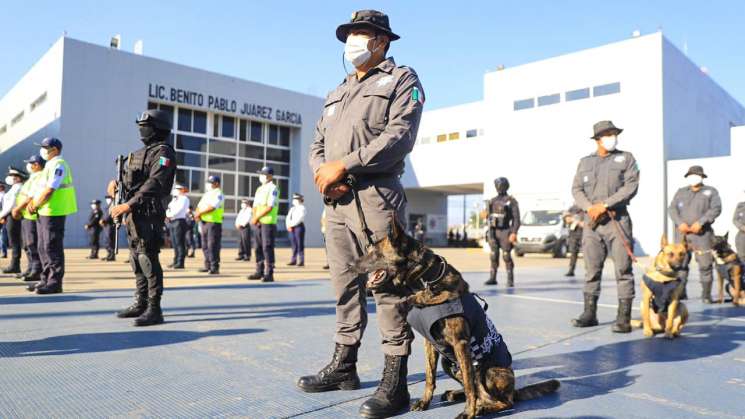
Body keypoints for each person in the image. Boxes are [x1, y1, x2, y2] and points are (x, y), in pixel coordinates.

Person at [299, 10, 425, 418]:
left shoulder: (402, 79)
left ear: (381, 41)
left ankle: (395, 380)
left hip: (376, 199)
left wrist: (346, 165)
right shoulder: (337, 92)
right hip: (335, 203)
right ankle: (345, 365)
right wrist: (323, 173)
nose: (353, 41)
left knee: (387, 286)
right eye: (350, 34)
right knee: (345, 285)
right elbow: (317, 141)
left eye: (362, 34)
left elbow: (400, 136)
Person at [571, 120, 639, 333]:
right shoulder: (585, 162)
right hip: (592, 223)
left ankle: (623, 317)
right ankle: (589, 313)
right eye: (608, 134)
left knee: (623, 269)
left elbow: (631, 186)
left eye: (614, 134)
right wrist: (590, 208)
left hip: (617, 220)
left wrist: (605, 204)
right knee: (591, 270)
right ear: (598, 139)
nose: (613, 138)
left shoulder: (626, 158)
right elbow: (576, 189)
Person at [110, 109, 176, 326]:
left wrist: (128, 205)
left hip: (149, 212)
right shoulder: (138, 153)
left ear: (157, 128)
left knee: (148, 258)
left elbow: (155, 183)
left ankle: (155, 309)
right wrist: (116, 186)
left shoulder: (163, 152)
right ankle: (140, 302)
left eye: (145, 125)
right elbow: (133, 183)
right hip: (133, 214)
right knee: (136, 258)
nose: (141, 129)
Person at [26, 137, 78, 294]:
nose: (42, 150)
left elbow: (50, 189)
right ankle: (45, 279)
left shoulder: (58, 164)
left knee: (51, 246)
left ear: (54, 149)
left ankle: (55, 282)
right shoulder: (49, 164)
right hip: (44, 210)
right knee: (43, 247)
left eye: (45, 147)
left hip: (54, 211)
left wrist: (34, 204)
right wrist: (34, 203)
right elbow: (41, 189)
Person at [668, 165, 721, 303]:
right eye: (691, 175)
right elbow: (672, 209)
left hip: (702, 235)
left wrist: (701, 222)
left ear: (702, 176)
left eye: (696, 175)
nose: (694, 177)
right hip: (682, 235)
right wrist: (680, 223)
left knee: (705, 265)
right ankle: (680, 292)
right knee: (680, 265)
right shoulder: (681, 192)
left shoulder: (711, 191)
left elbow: (716, 209)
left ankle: (706, 295)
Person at [13, 155, 45, 283]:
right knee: (27, 244)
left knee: (32, 243)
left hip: (31, 214)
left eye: (31, 163)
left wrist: (17, 208)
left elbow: (31, 196)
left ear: (37, 164)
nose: (29, 166)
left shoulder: (39, 176)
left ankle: (36, 269)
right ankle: (31, 267)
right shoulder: (33, 177)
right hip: (26, 214)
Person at [484, 177, 520, 286]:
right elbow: (488, 216)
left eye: (500, 185)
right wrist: (486, 217)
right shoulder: (492, 201)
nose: (499, 187)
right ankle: (492, 278)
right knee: (494, 255)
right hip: (494, 231)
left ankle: (510, 279)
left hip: (505, 231)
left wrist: (514, 232)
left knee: (506, 255)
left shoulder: (511, 201)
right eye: (497, 185)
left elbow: (516, 219)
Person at [247, 166, 279, 282]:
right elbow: (255, 206)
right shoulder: (259, 189)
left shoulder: (273, 188)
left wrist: (257, 218)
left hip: (268, 222)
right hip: (258, 222)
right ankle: (259, 271)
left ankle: (269, 273)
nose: (260, 176)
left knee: (267, 248)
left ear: (269, 176)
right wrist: (255, 217)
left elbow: (270, 206)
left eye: (262, 174)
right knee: (258, 248)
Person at [0, 167, 28, 274]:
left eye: (12, 175)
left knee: (15, 241)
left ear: (18, 178)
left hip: (14, 216)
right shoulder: (14, 187)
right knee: (13, 241)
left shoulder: (18, 188)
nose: (9, 177)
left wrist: (1, 215)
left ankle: (15, 265)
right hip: (10, 215)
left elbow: (10, 205)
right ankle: (14, 264)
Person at [195, 175, 224, 274]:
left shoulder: (219, 193)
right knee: (204, 245)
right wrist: (197, 214)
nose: (208, 184)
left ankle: (214, 267)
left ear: (217, 184)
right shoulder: (207, 194)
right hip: (204, 222)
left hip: (213, 222)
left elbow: (213, 207)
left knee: (212, 245)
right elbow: (199, 206)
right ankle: (207, 265)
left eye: (210, 182)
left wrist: (200, 213)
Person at [165, 183, 189, 269]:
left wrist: (170, 215)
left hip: (179, 221)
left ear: (182, 190)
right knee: (174, 243)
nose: (176, 190)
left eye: (178, 189)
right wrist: (168, 215)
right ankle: (175, 261)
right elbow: (169, 208)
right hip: (172, 221)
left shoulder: (184, 198)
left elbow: (179, 209)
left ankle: (180, 262)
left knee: (180, 243)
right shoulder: (174, 199)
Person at [564, 205, 585, 277]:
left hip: (584, 233)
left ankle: (589, 270)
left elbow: (586, 224)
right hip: (573, 233)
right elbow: (567, 219)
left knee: (587, 253)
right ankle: (571, 270)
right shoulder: (572, 208)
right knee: (573, 252)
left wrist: (579, 223)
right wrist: (573, 220)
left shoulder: (585, 208)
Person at [286, 193, 307, 266]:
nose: (294, 201)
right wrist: (288, 225)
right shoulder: (292, 208)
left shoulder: (302, 208)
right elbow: (288, 218)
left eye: (295, 199)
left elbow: (299, 218)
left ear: (299, 200)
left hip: (299, 227)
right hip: (291, 228)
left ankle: (301, 260)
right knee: (293, 244)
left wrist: (291, 225)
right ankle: (293, 260)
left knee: (299, 244)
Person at [101, 195, 116, 261]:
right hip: (106, 226)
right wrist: (102, 220)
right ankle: (109, 254)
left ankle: (112, 256)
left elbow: (110, 216)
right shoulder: (107, 207)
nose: (108, 200)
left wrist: (104, 220)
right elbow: (104, 215)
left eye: (109, 198)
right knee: (106, 241)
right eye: (107, 199)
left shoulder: (113, 206)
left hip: (110, 226)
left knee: (110, 241)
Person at [0, 183, 7, 258]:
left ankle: (4, 252)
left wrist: (3, 217)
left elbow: (4, 208)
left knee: (2, 236)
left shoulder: (3, 195)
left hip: (2, 217)